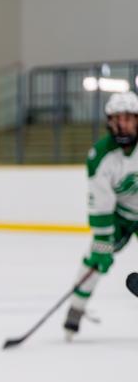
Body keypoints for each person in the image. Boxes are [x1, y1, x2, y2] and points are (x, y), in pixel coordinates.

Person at [64, 91, 138, 339]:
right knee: (95, 260)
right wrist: (103, 242)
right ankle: (76, 309)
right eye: (118, 119)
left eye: (129, 118)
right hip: (119, 216)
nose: (123, 124)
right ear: (110, 122)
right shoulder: (101, 156)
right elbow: (102, 202)